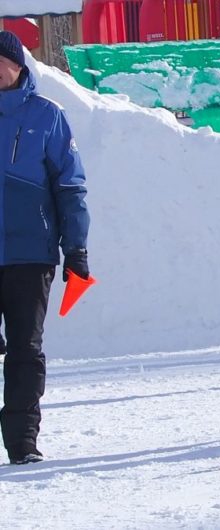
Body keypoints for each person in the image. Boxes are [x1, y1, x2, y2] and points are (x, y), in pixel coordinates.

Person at [0, 31, 90, 465]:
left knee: (24, 349)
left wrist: (76, 250)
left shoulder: (47, 115)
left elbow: (70, 186)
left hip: (29, 255)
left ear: (17, 66)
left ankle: (21, 441)